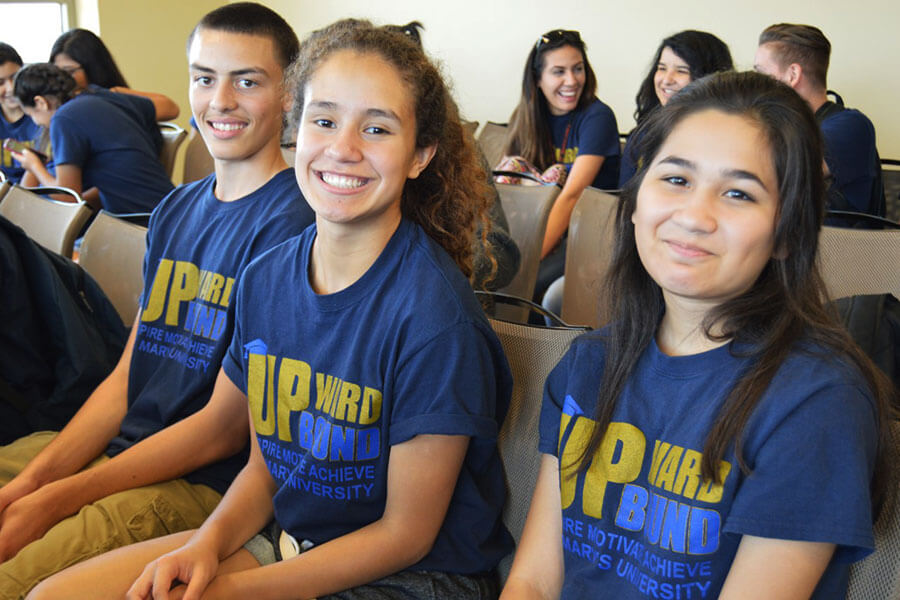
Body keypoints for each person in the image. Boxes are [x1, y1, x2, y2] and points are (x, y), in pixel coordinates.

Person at [30, 18, 514, 600]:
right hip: (290, 538)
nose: (343, 148)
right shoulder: (265, 278)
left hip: (413, 575)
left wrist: (234, 591)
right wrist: (205, 545)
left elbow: (405, 535)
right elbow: (265, 469)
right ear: (296, 128)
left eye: (378, 128)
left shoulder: (436, 320)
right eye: (325, 120)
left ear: (420, 155)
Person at [501, 71, 895, 599]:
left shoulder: (816, 403)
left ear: (786, 234)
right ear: (637, 204)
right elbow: (533, 582)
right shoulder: (589, 362)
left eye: (738, 192)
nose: (694, 215)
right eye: (677, 179)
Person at [0, 4, 314, 597]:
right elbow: (127, 378)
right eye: (203, 77)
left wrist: (56, 498)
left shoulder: (296, 224)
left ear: (289, 94)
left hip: (198, 484)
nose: (219, 100)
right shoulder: (177, 208)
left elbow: (225, 430)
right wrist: (33, 485)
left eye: (246, 81)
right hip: (121, 454)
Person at [502, 29, 620, 304]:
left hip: (586, 236)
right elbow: (508, 186)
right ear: (538, 80)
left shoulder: (597, 117)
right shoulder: (525, 117)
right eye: (559, 72)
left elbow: (573, 195)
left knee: (521, 288)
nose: (572, 81)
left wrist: (528, 261)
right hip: (536, 229)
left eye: (578, 69)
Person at [755, 23, 884, 217]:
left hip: (834, 244)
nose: (756, 84)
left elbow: (778, 176)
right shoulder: (784, 126)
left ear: (793, 75)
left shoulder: (851, 125)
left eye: (761, 73)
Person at [12, 62, 174, 214]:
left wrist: (34, 166)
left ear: (40, 103)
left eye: (30, 115)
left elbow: (67, 197)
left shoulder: (64, 118)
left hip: (140, 220)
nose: (38, 123)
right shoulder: (100, 95)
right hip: (170, 204)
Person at [619, 30, 733, 187]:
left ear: (709, 77)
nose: (666, 80)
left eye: (681, 71)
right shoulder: (643, 134)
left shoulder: (725, 142)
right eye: (662, 68)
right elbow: (624, 193)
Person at [50, 28, 179, 121]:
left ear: (93, 68)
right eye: (57, 71)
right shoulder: (56, 105)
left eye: (69, 72)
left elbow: (171, 109)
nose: (61, 78)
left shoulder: (112, 96)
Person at [0, 43, 44, 183]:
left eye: (15, 77)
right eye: (0, 82)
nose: (11, 88)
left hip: (42, 196)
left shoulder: (44, 112)